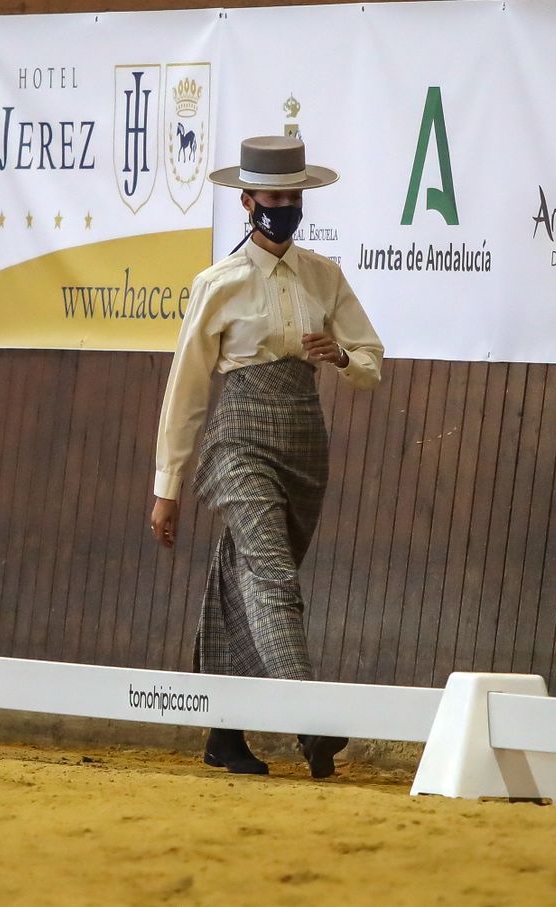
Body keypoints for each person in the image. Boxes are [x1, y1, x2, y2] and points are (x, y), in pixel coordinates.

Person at [149, 136, 384, 776]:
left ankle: (223, 736)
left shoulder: (324, 276)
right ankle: (308, 721)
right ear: (247, 201)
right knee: (273, 576)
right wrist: (168, 484)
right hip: (238, 440)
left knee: (243, 577)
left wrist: (340, 357)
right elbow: (188, 385)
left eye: (292, 196)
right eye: (271, 197)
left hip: (306, 441)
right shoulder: (217, 283)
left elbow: (371, 359)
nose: (282, 206)